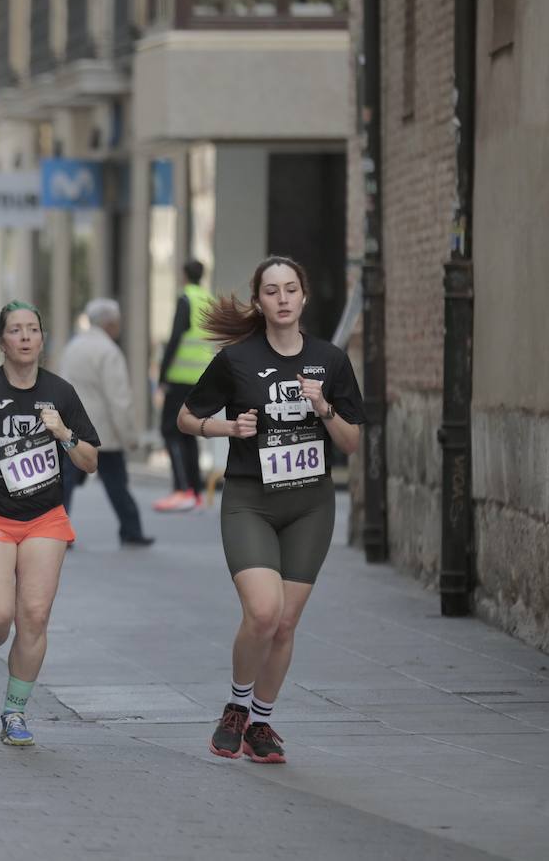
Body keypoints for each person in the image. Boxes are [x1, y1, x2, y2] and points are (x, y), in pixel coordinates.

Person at [177, 256, 363, 764]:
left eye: (291, 289)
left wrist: (324, 408)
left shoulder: (331, 361)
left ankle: (261, 722)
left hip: (310, 504)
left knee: (285, 625)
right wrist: (227, 428)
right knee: (263, 612)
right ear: (259, 302)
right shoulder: (237, 360)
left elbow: (351, 443)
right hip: (250, 501)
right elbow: (186, 417)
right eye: (271, 291)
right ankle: (235, 708)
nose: (282, 299)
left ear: (304, 298)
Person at [0, 301, 100, 746]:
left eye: (33, 329)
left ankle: (14, 712)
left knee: (34, 615)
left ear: (42, 338)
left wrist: (64, 435)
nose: (26, 337)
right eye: (16, 330)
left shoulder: (62, 393)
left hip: (44, 518)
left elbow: (90, 461)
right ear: (1, 341)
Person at [59, 299, 153, 547]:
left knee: (65, 482)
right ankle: (131, 530)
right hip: (104, 432)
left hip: (73, 428)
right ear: (110, 323)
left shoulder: (73, 347)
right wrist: (129, 437)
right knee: (116, 483)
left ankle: (57, 530)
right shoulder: (109, 352)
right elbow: (119, 400)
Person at [156, 259, 212, 512]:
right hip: (201, 379)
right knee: (189, 434)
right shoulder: (209, 300)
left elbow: (176, 337)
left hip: (180, 378)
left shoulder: (186, 299)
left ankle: (181, 489)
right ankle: (195, 491)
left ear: (183, 275)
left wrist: (162, 376)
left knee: (170, 430)